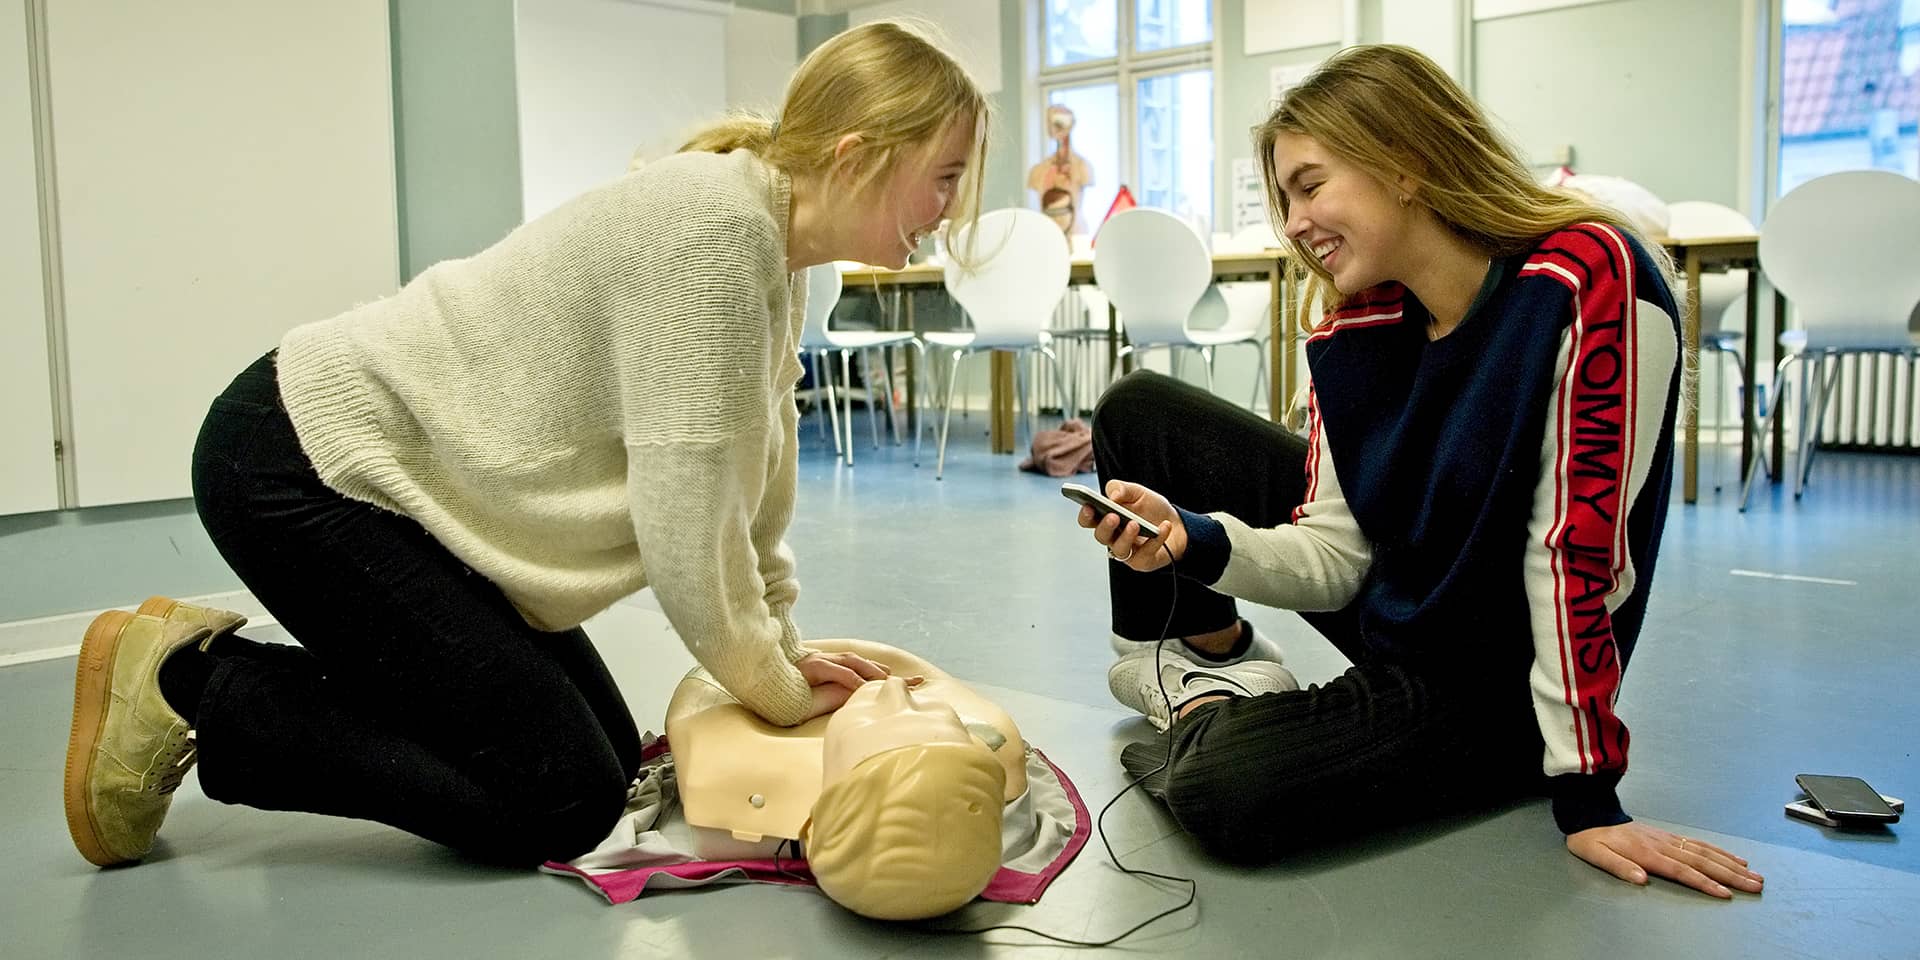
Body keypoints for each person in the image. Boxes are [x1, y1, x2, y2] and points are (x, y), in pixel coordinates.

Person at [62, 20, 990, 870]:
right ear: (858, 155)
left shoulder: (777, 256)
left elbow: (751, 493)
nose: (949, 207)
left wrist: (782, 647)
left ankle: (203, 669)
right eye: (944, 175)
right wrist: (778, 689)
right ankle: (187, 687)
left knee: (612, 756)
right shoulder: (711, 232)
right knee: (563, 797)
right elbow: (686, 533)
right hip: (300, 465)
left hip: (398, 492)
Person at [1074, 45, 1765, 900]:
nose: (1292, 223)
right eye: (1285, 196)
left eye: (1310, 185)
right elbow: (1334, 559)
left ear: (1404, 164)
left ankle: (1204, 710)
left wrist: (1587, 795)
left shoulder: (1585, 280)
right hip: (1402, 609)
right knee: (1139, 409)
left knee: (1226, 792)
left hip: (1493, 686)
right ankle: (1209, 661)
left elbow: (1574, 561)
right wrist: (1197, 542)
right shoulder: (1354, 326)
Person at [665, 639, 1019, 919]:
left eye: (876, 715)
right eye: (919, 705)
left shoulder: (737, 775)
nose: (894, 686)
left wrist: (777, 687)